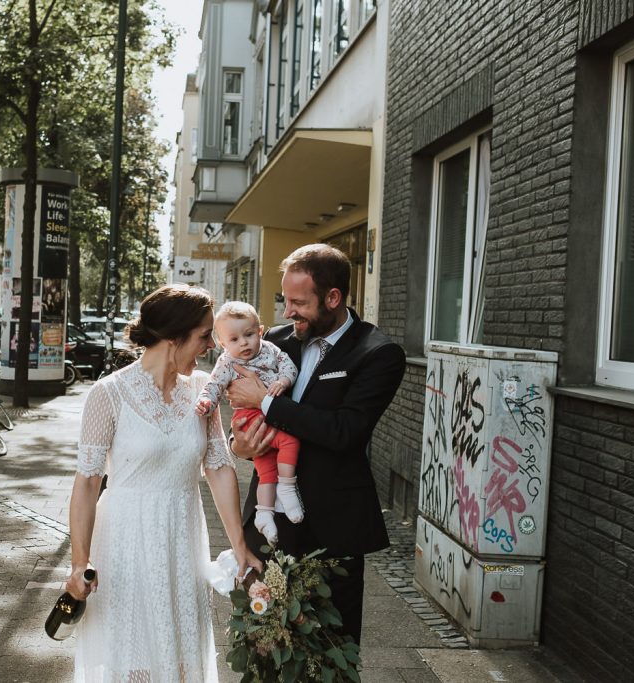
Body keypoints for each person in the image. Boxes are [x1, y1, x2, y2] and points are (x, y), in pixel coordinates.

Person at [67, 284, 262, 682]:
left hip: (183, 539)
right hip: (125, 543)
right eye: (205, 335)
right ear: (173, 338)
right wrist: (79, 561)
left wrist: (240, 548)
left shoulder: (203, 391)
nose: (211, 345)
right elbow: (87, 482)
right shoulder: (109, 393)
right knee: (133, 658)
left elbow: (219, 468)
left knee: (180, 658)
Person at [226, 243, 406, 645]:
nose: (288, 312)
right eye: (285, 300)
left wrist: (267, 402)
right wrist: (239, 445)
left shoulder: (378, 353)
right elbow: (239, 408)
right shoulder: (272, 342)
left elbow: (344, 431)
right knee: (260, 642)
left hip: (333, 528)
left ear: (333, 298)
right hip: (268, 520)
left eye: (298, 302)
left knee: (329, 650)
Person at [195, 301, 301, 546]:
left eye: (249, 335)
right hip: (249, 417)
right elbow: (215, 385)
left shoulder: (271, 350)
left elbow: (289, 367)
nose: (243, 343)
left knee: (266, 470)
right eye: (233, 339)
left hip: (270, 413)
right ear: (223, 344)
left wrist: (283, 381)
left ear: (260, 332)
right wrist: (206, 402)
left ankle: (264, 512)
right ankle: (287, 488)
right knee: (289, 441)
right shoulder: (226, 362)